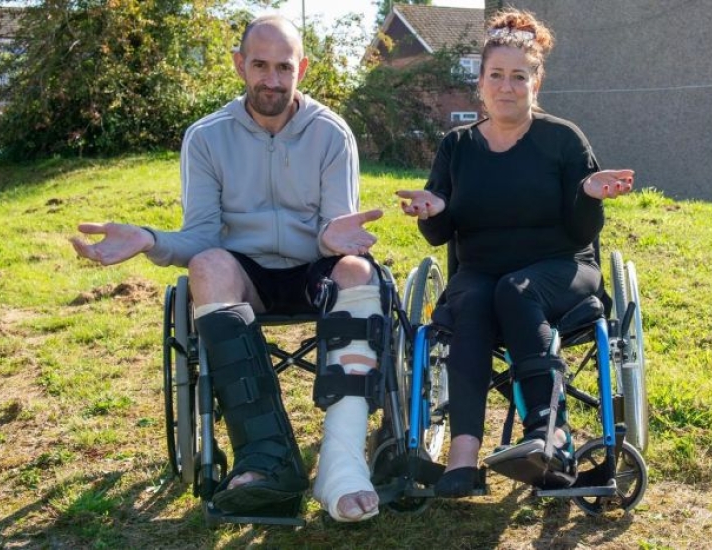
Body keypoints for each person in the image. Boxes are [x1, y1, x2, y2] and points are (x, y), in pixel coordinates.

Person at [71, 15, 383, 523]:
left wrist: (330, 237)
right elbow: (201, 236)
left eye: (284, 67)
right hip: (246, 276)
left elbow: (337, 227)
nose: (272, 80)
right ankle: (265, 459)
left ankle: (342, 466)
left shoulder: (331, 133)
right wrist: (150, 239)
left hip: (315, 268)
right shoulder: (206, 137)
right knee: (208, 264)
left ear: (302, 68)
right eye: (260, 65)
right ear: (240, 65)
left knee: (358, 271)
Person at [396, 8, 634, 497]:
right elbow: (440, 235)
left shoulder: (563, 139)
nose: (507, 86)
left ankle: (551, 436)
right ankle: (462, 459)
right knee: (475, 301)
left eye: (519, 77)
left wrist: (588, 195)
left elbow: (583, 231)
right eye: (497, 75)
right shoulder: (457, 146)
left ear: (535, 82)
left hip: (563, 270)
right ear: (480, 83)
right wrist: (432, 211)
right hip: (480, 273)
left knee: (515, 289)